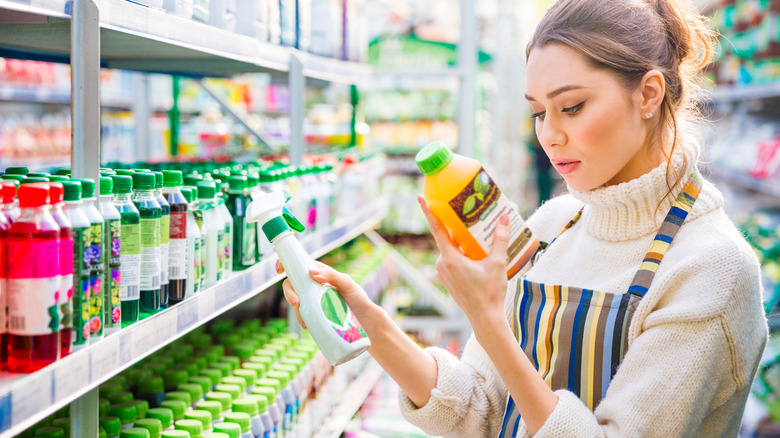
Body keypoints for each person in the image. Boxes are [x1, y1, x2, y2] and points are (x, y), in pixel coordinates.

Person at [278, 0, 769, 436]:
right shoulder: (555, 225)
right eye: (538, 112)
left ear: (648, 94)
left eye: (571, 107)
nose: (549, 136)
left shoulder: (711, 268)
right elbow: (480, 409)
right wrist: (371, 325)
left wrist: (488, 321)